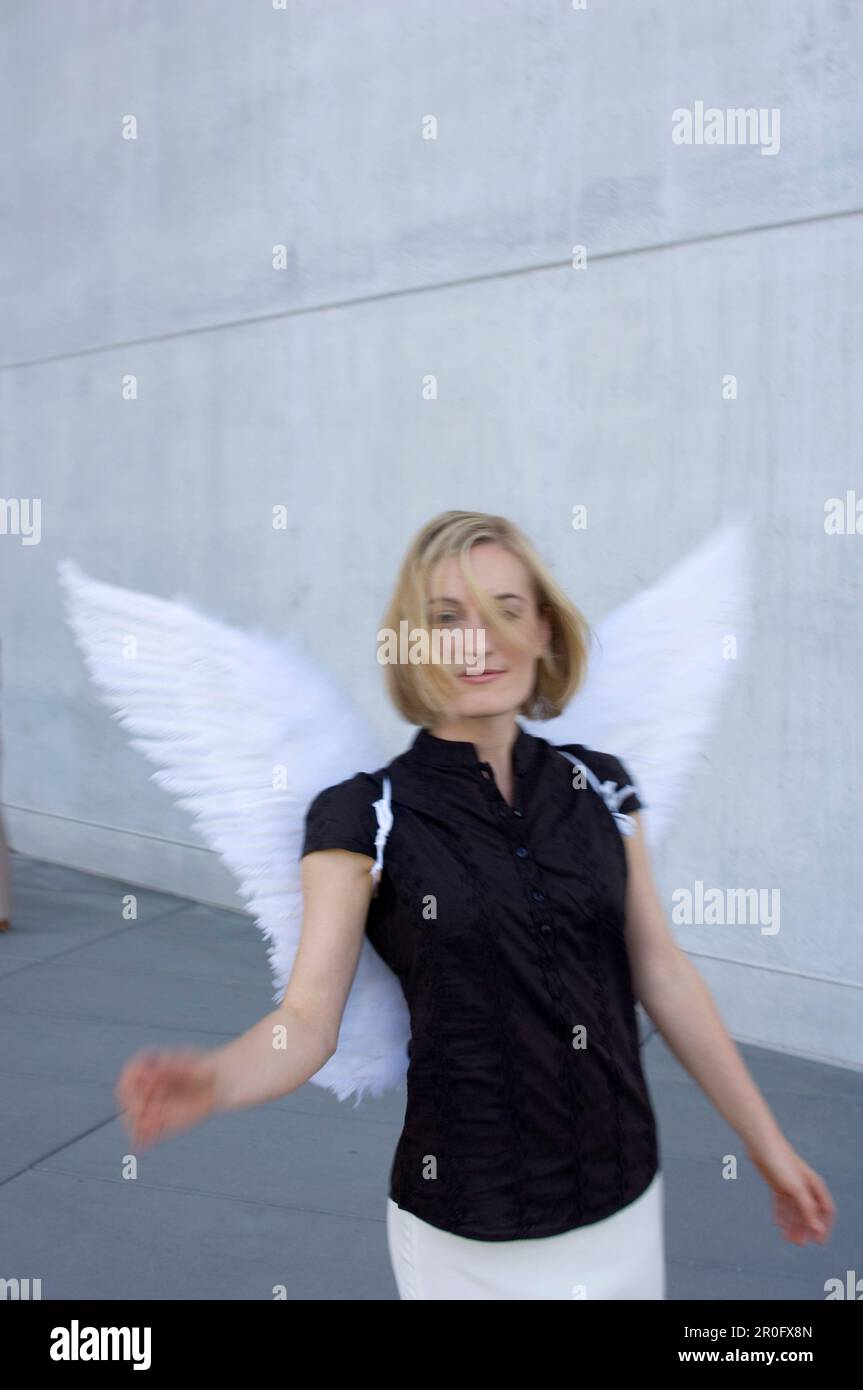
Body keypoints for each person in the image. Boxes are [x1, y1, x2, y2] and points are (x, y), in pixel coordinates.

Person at [116, 510, 835, 1300]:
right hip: (469, 1230)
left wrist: (766, 1144)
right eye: (446, 618)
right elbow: (308, 1021)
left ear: (543, 631)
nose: (478, 640)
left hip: (622, 1199)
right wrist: (215, 1079)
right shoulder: (363, 815)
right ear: (414, 642)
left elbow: (661, 973)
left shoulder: (601, 785)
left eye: (505, 610)